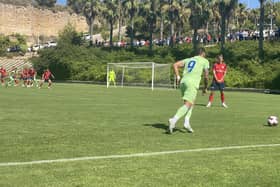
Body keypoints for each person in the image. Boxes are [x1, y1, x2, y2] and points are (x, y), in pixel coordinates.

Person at [169, 48, 209, 133]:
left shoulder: (189, 59)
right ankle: (174, 120)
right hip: (192, 83)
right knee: (188, 104)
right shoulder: (205, 61)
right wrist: (205, 87)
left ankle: (186, 122)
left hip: (183, 82)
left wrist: (178, 76)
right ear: (202, 53)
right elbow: (206, 76)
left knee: (191, 103)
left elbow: (175, 65)